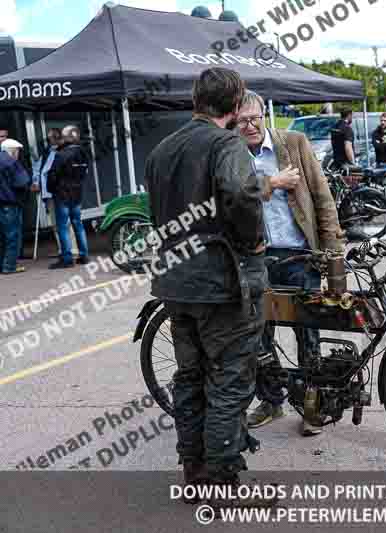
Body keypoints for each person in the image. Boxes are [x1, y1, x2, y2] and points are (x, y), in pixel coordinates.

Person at [144, 68, 271, 508]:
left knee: (190, 378)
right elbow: (241, 193)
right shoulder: (226, 144)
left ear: (197, 100)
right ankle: (221, 484)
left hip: (177, 285)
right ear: (235, 107)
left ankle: (194, 472)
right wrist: (253, 238)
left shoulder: (162, 150)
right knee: (230, 382)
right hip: (221, 284)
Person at [235, 90, 345, 436]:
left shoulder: (294, 143)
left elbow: (322, 196)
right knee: (260, 336)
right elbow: (232, 198)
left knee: (307, 333)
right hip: (257, 259)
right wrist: (270, 183)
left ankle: (311, 407)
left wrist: (333, 250)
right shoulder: (232, 155)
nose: (249, 126)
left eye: (254, 118)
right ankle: (272, 400)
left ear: (264, 115)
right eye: (241, 121)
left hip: (300, 256)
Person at [47, 125, 90, 268]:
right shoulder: (83, 153)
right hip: (77, 193)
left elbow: (52, 175)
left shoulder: (61, 154)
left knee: (63, 227)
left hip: (62, 194)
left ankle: (67, 259)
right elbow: (84, 173)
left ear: (66, 138)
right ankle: (84, 255)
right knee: (78, 223)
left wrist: (51, 189)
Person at [33, 128, 74, 258]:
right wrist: (36, 181)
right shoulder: (47, 152)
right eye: (50, 138)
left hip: (61, 192)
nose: (52, 140)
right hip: (49, 194)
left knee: (66, 223)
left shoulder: (66, 152)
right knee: (56, 224)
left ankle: (72, 250)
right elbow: (37, 168)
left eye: (55, 137)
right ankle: (63, 249)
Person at [0, 139, 31, 275]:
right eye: (17, 151)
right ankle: (9, 266)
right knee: (13, 235)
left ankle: (2, 264)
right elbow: (22, 182)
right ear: (12, 150)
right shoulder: (11, 162)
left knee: (2, 236)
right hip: (10, 203)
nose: (18, 154)